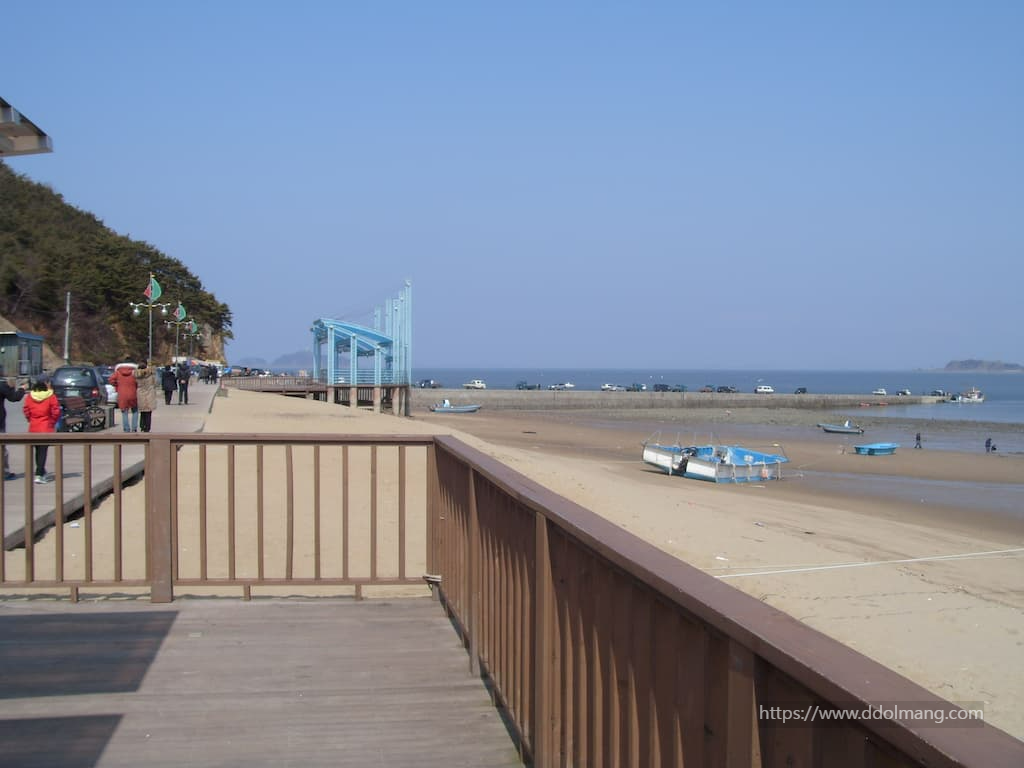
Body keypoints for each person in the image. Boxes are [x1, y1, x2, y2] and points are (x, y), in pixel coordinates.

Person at [23, 378, 61, 483]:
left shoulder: (30, 396)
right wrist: (52, 422)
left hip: (34, 426)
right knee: (43, 451)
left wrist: (30, 419)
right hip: (46, 426)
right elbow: (56, 411)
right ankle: (39, 473)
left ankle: (41, 471)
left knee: (37, 450)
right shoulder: (51, 396)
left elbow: (26, 410)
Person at [0, 375, 29, 479]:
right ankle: (4, 473)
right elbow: (14, 397)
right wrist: (22, 389)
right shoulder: (1, 386)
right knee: (2, 449)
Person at [110, 361, 140, 432]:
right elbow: (139, 382)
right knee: (135, 411)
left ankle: (126, 428)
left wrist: (117, 385)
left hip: (122, 394)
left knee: (124, 412)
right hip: (133, 393)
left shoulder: (118, 372)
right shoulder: (134, 372)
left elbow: (111, 380)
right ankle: (134, 428)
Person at [135, 362, 158, 433]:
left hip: (140, 393)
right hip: (150, 393)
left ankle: (142, 426)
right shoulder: (151, 375)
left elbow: (135, 383)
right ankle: (147, 427)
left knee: (142, 412)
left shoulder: (137, 376)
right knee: (148, 412)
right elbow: (156, 383)